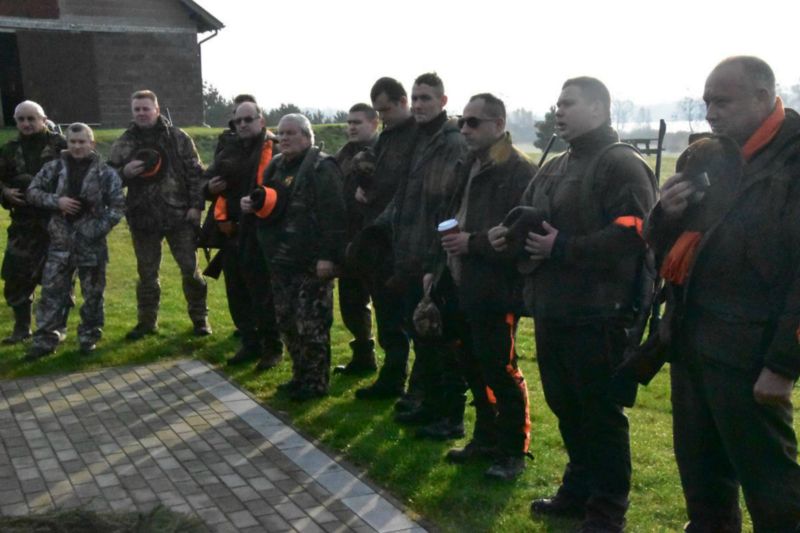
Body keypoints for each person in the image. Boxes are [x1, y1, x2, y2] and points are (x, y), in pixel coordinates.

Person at [491, 77, 656, 531]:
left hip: (600, 315)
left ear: (599, 109)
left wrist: (562, 247)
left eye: (569, 103)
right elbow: (531, 214)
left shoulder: (622, 164)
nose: (558, 110)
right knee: (567, 408)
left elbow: (634, 232)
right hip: (554, 310)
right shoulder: (555, 164)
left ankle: (607, 510)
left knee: (601, 416)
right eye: (558, 103)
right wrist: (511, 233)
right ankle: (578, 491)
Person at [646, 56, 800, 532]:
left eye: (723, 102)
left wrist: (783, 366)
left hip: (751, 355)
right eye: (706, 102)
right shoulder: (708, 156)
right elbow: (667, 248)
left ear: (763, 96)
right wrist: (666, 214)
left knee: (773, 490)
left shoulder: (794, 162)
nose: (711, 113)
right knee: (702, 482)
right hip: (692, 341)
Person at [424, 93, 536, 480]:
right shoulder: (467, 164)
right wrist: (436, 267)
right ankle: (486, 437)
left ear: (499, 125)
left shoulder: (519, 171)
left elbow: (519, 236)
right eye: (462, 121)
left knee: (501, 370)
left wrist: (472, 243)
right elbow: (447, 219)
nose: (464, 129)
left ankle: (514, 450)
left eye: (473, 122)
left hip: (495, 289)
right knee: (471, 366)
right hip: (459, 283)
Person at [371, 72, 468, 427]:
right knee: (422, 336)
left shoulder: (452, 142)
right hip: (410, 254)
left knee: (442, 339)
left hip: (435, 257)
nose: (419, 104)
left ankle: (449, 415)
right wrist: (377, 229)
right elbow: (404, 197)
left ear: (443, 101)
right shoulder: (421, 139)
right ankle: (428, 403)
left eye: (426, 98)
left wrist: (435, 262)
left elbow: (448, 206)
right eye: (415, 98)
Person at [245, 114, 346, 401]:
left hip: (312, 263)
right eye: (281, 133)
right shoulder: (276, 165)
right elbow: (267, 201)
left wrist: (328, 257)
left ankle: (315, 383)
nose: (285, 138)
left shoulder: (322, 167)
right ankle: (299, 375)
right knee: (287, 323)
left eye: (291, 133)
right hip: (280, 260)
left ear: (307, 136)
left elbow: (335, 216)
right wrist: (251, 204)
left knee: (311, 326)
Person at [109, 90, 210, 339]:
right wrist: (124, 173)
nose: (141, 113)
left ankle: (200, 319)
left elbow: (196, 173)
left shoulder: (178, 137)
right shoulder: (124, 142)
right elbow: (106, 178)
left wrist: (196, 207)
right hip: (142, 219)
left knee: (191, 271)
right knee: (147, 275)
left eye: (146, 108)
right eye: (137, 109)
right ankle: (147, 323)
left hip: (179, 217)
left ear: (156, 109)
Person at [24, 123, 124, 359]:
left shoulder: (106, 173)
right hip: (60, 243)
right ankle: (46, 340)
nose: (77, 146)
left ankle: (89, 337)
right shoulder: (53, 168)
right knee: (51, 293)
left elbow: (118, 206)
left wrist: (95, 229)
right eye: (73, 142)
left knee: (93, 295)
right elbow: (32, 192)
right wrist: (56, 201)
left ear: (92, 143)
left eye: (82, 142)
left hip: (92, 245)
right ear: (67, 143)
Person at [204, 99, 283, 370]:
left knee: (263, 294)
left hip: (262, 232)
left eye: (248, 119)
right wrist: (209, 188)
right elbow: (206, 179)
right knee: (236, 292)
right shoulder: (229, 148)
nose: (243, 125)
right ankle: (250, 343)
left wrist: (260, 201)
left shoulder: (275, 148)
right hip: (231, 232)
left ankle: (272, 348)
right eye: (238, 121)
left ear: (261, 120)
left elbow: (283, 190)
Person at [352, 77, 417, 399]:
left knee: (411, 319)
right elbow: (378, 169)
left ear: (403, 102)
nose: (382, 117)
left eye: (386, 110)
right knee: (387, 314)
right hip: (381, 239)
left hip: (404, 238)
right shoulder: (389, 136)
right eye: (378, 111)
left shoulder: (419, 135)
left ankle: (409, 384)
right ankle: (392, 378)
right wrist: (363, 179)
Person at [0, 101, 66, 344]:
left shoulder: (61, 145)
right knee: (16, 276)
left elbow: (82, 173)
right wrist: (5, 192)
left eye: (31, 118)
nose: (26, 124)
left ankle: (55, 328)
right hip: (23, 225)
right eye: (21, 119)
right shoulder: (9, 149)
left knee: (58, 279)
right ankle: (22, 327)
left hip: (55, 223)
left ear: (43, 119)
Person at [333, 103, 380, 374]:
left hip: (374, 240)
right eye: (349, 122)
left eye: (357, 122)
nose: (351, 127)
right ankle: (363, 355)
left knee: (386, 308)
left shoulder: (382, 152)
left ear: (374, 123)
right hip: (348, 239)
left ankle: (394, 372)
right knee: (351, 303)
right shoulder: (343, 154)